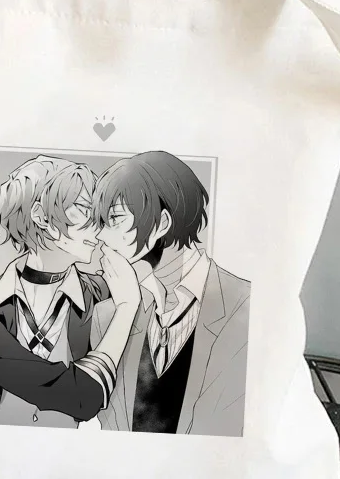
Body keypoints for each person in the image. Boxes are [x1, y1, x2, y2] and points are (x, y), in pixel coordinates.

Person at [0, 154, 140, 428]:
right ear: (41, 216)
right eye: (84, 209)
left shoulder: (103, 292)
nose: (97, 227)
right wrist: (127, 308)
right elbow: (81, 397)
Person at [90, 150, 251, 436]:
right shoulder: (108, 316)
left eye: (114, 219)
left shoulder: (245, 306)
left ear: (162, 224)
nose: (100, 236)